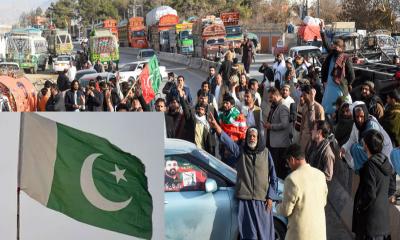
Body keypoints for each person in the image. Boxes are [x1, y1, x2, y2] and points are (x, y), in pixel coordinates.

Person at [209, 114, 277, 240]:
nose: (251, 138)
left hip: (262, 201)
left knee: (265, 234)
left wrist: (271, 197)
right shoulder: (241, 152)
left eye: (254, 136)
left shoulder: (266, 153)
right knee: (249, 234)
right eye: (249, 136)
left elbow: (273, 177)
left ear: (258, 138)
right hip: (245, 201)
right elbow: (228, 142)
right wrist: (217, 127)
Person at [277, 143, 328, 240]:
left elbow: (286, 211)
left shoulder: (292, 179)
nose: (288, 165)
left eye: (288, 162)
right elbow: (323, 202)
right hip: (319, 234)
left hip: (299, 235)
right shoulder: (320, 175)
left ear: (292, 159)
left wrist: (277, 206)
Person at [352, 129, 394, 240]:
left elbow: (369, 194)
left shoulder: (369, 166)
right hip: (384, 224)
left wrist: (359, 207)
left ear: (366, 145)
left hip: (369, 225)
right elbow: (392, 188)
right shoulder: (387, 163)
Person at [341, 102, 393, 171]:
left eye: (361, 116)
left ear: (365, 114)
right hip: (369, 153)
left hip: (382, 156)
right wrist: (344, 148)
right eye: (357, 117)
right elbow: (352, 139)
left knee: (355, 148)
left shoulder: (372, 125)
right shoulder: (356, 125)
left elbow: (375, 148)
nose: (359, 119)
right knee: (352, 148)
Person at [320, 23, 355, 116]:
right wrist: (322, 30)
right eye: (334, 46)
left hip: (340, 88)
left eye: (337, 46)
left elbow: (351, 75)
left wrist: (347, 84)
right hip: (329, 88)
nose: (334, 47)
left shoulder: (345, 59)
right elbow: (326, 44)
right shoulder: (331, 55)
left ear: (341, 48)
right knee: (328, 111)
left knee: (343, 109)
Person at [264, 87, 291, 179]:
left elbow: (284, 124)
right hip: (273, 143)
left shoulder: (282, 108)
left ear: (276, 96)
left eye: (271, 97)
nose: (270, 100)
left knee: (278, 169)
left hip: (279, 146)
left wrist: (270, 126)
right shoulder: (275, 106)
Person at [298, 85, 325, 152]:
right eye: (302, 95)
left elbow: (321, 127)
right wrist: (300, 137)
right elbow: (302, 124)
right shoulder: (304, 106)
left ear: (310, 95)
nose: (303, 97)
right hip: (304, 139)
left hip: (313, 141)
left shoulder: (319, 108)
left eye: (305, 95)